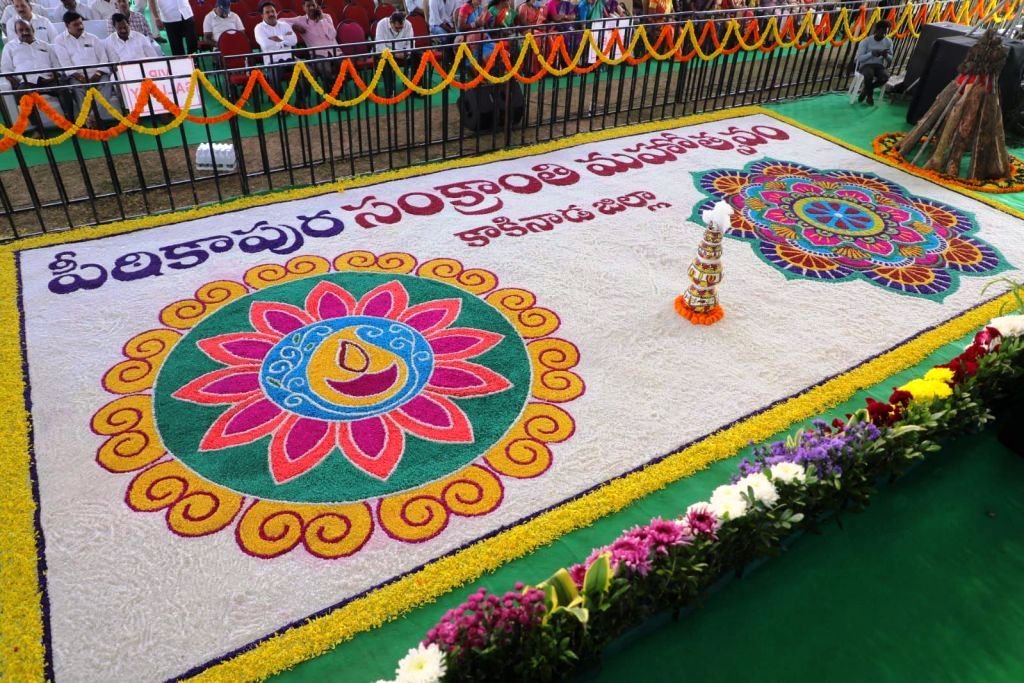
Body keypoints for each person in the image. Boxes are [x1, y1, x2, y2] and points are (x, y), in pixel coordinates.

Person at [0, 19, 70, 134]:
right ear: (16, 32)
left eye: (27, 29)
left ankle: (69, 123)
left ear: (33, 30)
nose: (24, 32)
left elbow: (56, 65)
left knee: (64, 89)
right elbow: (6, 70)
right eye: (21, 30)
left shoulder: (45, 45)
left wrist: (55, 74)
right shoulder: (10, 47)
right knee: (24, 95)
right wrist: (16, 83)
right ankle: (38, 129)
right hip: (27, 81)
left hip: (47, 79)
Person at [53, 10, 119, 126]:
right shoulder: (59, 41)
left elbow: (103, 58)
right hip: (76, 76)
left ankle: (92, 119)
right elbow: (65, 63)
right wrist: (82, 78)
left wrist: (97, 75)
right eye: (76, 24)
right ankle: (92, 121)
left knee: (107, 84)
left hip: (98, 74)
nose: (80, 27)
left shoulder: (93, 38)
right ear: (67, 26)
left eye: (81, 23)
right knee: (78, 89)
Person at [287, 0, 336, 80]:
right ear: (303, 8)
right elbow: (280, 21)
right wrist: (293, 26)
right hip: (318, 55)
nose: (311, 8)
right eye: (308, 6)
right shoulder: (301, 20)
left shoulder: (326, 17)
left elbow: (332, 35)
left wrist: (322, 20)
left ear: (317, 6)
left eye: (313, 5)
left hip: (335, 51)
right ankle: (332, 87)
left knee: (347, 65)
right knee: (326, 70)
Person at [374, 10, 412, 94]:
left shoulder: (408, 24)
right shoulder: (381, 24)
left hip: (403, 53)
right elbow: (380, 46)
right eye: (397, 28)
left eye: (401, 27)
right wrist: (394, 54)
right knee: (385, 61)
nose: (399, 30)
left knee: (418, 55)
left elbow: (411, 43)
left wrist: (407, 53)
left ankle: (415, 88)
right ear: (391, 22)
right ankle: (390, 92)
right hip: (386, 53)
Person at [855, 19, 892, 105]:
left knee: (885, 77)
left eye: (885, 33)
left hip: (879, 66)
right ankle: (870, 96)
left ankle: (866, 90)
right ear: (876, 30)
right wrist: (871, 54)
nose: (883, 35)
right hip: (866, 65)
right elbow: (860, 58)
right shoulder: (866, 41)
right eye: (882, 32)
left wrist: (886, 55)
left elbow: (891, 59)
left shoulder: (888, 41)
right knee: (869, 75)